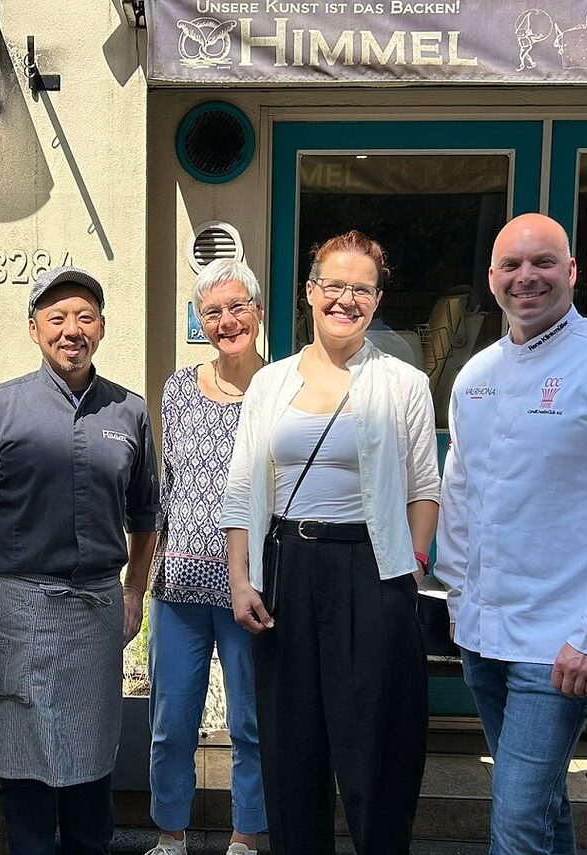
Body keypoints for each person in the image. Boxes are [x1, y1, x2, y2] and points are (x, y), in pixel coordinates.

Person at [435, 213, 587, 855]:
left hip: (560, 642)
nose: (527, 278)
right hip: (483, 634)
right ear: (492, 280)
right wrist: (458, 596)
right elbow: (461, 492)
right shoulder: (475, 376)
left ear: (572, 272)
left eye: (543, 262)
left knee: (516, 814)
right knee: (539, 804)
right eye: (511, 266)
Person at [221, 230, 441, 855]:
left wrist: (414, 566)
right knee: (292, 751)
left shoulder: (403, 382)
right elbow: (242, 491)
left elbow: (426, 486)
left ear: (376, 300)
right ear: (311, 292)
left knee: (376, 751)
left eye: (362, 289)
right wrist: (243, 580)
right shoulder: (271, 384)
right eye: (334, 286)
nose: (347, 300)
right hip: (288, 569)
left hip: (374, 572)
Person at [0, 266, 160, 855]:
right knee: (22, 760)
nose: (72, 330)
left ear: (102, 328)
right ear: (35, 327)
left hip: (95, 607)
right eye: (58, 317)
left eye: (85, 317)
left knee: (91, 758)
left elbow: (146, 514)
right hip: (16, 606)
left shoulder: (130, 411)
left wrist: (134, 590)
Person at [146, 259, 268, 855]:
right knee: (171, 723)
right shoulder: (177, 388)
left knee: (249, 721)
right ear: (200, 320)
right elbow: (166, 487)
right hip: (179, 581)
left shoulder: (281, 388)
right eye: (213, 311)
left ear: (259, 312)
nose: (227, 321)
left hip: (253, 585)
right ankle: (170, 833)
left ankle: (246, 835)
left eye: (238, 307)